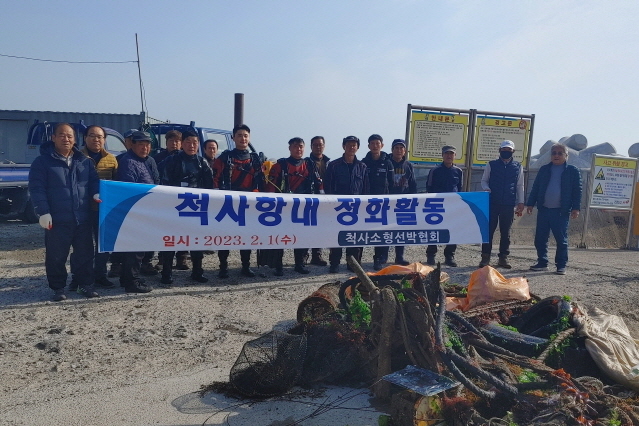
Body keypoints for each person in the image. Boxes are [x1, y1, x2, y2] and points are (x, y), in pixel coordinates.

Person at [28, 123, 100, 301]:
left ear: (75, 139)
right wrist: (43, 212)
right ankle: (58, 288)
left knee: (84, 255)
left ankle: (85, 285)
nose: (65, 138)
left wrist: (96, 192)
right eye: (61, 135)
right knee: (56, 256)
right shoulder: (42, 162)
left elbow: (94, 181)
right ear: (53, 137)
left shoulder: (83, 160)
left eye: (69, 136)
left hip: (82, 218)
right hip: (57, 219)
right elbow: (37, 189)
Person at [159, 130, 213, 285]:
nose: (191, 145)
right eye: (188, 142)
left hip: (195, 206)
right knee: (171, 240)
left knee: (196, 240)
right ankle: (166, 273)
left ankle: (197, 271)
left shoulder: (202, 162)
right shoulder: (172, 160)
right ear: (182, 144)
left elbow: (209, 186)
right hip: (174, 205)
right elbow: (163, 181)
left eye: (195, 142)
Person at [212, 124, 265, 278]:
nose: (243, 138)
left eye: (246, 135)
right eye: (240, 135)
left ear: (249, 138)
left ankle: (246, 266)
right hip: (228, 201)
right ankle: (223, 267)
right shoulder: (225, 157)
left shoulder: (255, 159)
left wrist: (260, 196)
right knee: (225, 235)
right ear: (233, 138)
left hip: (249, 203)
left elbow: (261, 181)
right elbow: (215, 178)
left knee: (246, 235)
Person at [264, 137, 322, 275]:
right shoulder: (280, 165)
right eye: (295, 146)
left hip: (303, 207)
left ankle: (300, 264)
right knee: (281, 237)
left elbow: (319, 184)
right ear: (290, 148)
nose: (299, 149)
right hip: (282, 208)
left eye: (301, 146)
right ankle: (278, 265)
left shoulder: (309, 165)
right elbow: (270, 188)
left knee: (301, 236)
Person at [526, 143, 582, 275]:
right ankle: (542, 262)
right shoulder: (544, 169)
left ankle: (561, 265)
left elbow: (577, 191)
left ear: (566, 156)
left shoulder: (572, 171)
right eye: (554, 153)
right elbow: (536, 187)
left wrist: (576, 208)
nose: (556, 155)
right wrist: (530, 203)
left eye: (560, 153)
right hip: (544, 210)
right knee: (540, 238)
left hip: (561, 212)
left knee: (561, 240)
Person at [76, 125, 118, 289]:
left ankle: (100, 275)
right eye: (92, 136)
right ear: (85, 138)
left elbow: (116, 185)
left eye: (100, 137)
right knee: (82, 247)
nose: (96, 139)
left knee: (103, 246)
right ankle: (79, 278)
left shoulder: (111, 159)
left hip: (103, 211)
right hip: (82, 210)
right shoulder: (76, 157)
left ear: (104, 140)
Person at [116, 131, 158, 293]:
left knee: (137, 248)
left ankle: (127, 278)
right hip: (135, 211)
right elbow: (130, 189)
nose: (145, 148)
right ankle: (131, 282)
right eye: (141, 144)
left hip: (145, 210)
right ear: (132, 145)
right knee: (135, 249)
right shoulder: (129, 162)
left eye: (147, 145)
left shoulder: (146, 161)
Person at [324, 135, 369, 273]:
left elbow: (366, 188)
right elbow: (328, 186)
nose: (351, 147)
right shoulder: (333, 165)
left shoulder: (362, 166)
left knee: (353, 236)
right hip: (337, 208)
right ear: (344, 146)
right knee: (337, 235)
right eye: (349, 145)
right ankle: (335, 263)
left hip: (356, 208)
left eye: (354, 145)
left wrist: (364, 207)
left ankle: (352, 263)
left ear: (358, 148)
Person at [478, 140, 525, 269]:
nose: (506, 152)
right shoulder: (491, 164)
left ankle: (503, 258)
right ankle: (485, 257)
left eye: (509, 150)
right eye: (504, 150)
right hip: (492, 202)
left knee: (506, 232)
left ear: (513, 152)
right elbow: (484, 180)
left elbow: (520, 185)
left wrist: (521, 202)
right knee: (488, 231)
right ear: (500, 150)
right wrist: (486, 188)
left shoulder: (518, 166)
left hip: (508, 204)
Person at [425, 145, 463, 267]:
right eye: (447, 153)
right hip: (436, 205)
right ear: (442, 155)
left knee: (453, 230)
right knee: (434, 230)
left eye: (451, 154)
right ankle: (431, 255)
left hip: (452, 206)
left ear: (454, 156)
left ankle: (449, 255)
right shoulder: (435, 170)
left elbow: (460, 189)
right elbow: (429, 187)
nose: (449, 156)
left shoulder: (458, 171)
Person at [362, 134, 394, 270]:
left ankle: (380, 258)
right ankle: (356, 260)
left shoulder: (388, 162)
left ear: (382, 145)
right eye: (372, 143)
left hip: (383, 204)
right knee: (362, 231)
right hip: (366, 203)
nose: (375, 146)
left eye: (377, 143)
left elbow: (392, 183)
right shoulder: (364, 162)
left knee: (382, 231)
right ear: (368, 146)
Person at [389, 139, 417, 265]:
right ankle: (382, 256)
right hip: (388, 202)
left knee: (401, 230)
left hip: (404, 203)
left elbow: (413, 184)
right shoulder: (387, 163)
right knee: (386, 229)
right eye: (396, 148)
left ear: (405, 151)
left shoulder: (408, 165)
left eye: (401, 148)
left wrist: (414, 199)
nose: (399, 150)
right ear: (392, 149)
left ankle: (399, 256)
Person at [307, 136, 330, 267]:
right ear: (311, 146)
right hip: (310, 200)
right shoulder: (306, 162)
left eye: (320, 144)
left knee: (321, 228)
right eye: (315, 145)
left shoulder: (329, 163)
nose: (318, 147)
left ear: (324, 146)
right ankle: (304, 256)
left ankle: (317, 255)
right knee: (307, 228)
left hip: (326, 201)